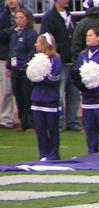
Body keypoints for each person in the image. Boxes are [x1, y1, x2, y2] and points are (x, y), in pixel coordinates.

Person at [73, 27, 99, 153]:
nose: (87, 37)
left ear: (98, 38)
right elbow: (77, 73)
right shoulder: (82, 55)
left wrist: (97, 75)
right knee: (90, 130)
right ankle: (92, 155)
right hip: (88, 100)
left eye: (91, 35)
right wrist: (81, 81)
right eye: (87, 35)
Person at [39, 0, 80, 131]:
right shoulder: (49, 17)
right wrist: (55, 55)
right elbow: (45, 39)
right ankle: (59, 121)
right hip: (59, 61)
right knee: (59, 93)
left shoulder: (70, 15)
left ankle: (72, 121)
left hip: (72, 61)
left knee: (74, 93)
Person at [28, 32, 62, 160]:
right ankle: (43, 154)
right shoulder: (35, 59)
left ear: (45, 45)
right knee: (40, 129)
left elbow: (54, 78)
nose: (35, 45)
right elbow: (30, 77)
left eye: (38, 42)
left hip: (50, 100)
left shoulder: (55, 60)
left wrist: (40, 77)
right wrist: (35, 76)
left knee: (52, 129)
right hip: (37, 99)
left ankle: (54, 154)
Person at [7, 7, 35, 131]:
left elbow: (32, 52)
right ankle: (23, 122)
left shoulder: (31, 34)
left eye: (21, 18)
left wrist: (25, 65)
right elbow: (11, 51)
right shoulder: (14, 34)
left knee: (27, 96)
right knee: (18, 97)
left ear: (27, 19)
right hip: (15, 71)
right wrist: (9, 66)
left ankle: (31, 124)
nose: (18, 20)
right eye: (17, 18)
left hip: (25, 71)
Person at [0, 0, 20, 129]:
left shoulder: (26, 14)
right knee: (7, 90)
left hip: (21, 58)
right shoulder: (2, 17)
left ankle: (25, 119)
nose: (11, 1)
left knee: (22, 90)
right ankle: (5, 119)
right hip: (5, 57)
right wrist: (12, 30)